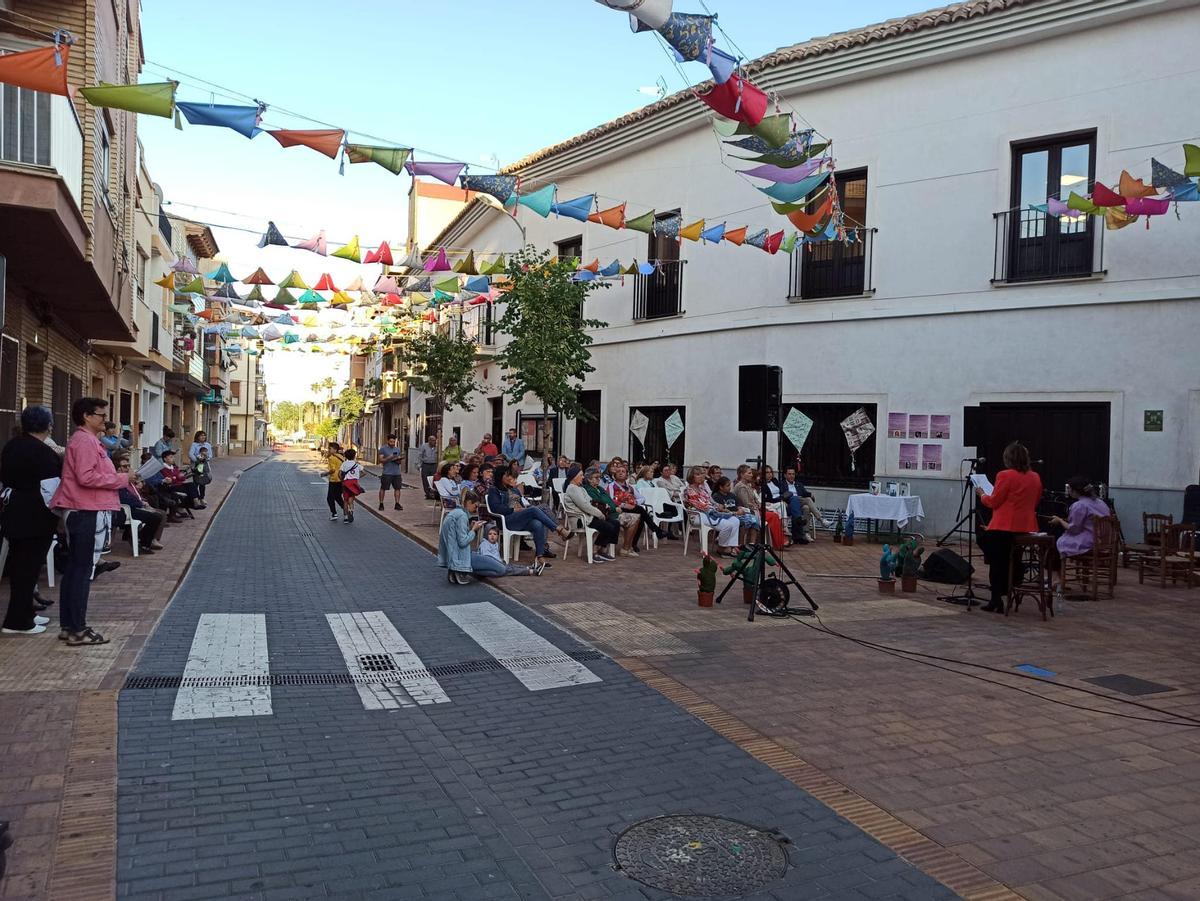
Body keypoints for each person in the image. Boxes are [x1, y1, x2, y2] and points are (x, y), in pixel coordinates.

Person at [50, 397, 130, 646]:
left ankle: (69, 626)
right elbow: (86, 477)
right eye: (101, 415)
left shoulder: (88, 440)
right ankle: (78, 629)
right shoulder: (84, 441)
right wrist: (121, 479)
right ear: (86, 416)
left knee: (77, 569)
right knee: (83, 571)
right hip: (84, 510)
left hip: (85, 508)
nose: (105, 420)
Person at [1, 406, 61, 635]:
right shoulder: (44, 453)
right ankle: (17, 622)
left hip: (13, 512)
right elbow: (52, 489)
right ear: (48, 426)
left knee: (20, 568)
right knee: (28, 569)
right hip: (36, 517)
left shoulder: (11, 446)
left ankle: (26, 613)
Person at [976, 441, 1043, 613]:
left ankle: (997, 596)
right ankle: (1013, 577)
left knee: (989, 546)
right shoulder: (1035, 477)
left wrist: (983, 495)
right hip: (1025, 527)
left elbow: (994, 502)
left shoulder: (1005, 475)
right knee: (1005, 553)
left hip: (1004, 527)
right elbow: (1035, 501)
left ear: (1008, 459)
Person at [1045, 475, 1111, 605]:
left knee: (1054, 542)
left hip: (1088, 542)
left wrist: (1059, 520)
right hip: (1102, 541)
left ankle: (1056, 578)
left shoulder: (1079, 505)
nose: (1068, 492)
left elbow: (1073, 528)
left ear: (1076, 491)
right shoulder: (1101, 502)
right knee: (1058, 541)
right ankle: (1056, 577)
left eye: (1070, 489)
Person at [487, 470, 568, 561]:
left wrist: (522, 508)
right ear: (500, 477)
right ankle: (559, 529)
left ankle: (539, 556)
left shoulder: (514, 489)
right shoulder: (494, 490)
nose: (509, 477)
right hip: (507, 520)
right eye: (507, 475)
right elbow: (495, 508)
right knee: (534, 509)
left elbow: (521, 502)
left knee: (537, 523)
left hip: (519, 518)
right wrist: (513, 509)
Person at [562, 464, 620, 561]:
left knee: (615, 523)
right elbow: (584, 505)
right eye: (581, 475)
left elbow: (590, 502)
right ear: (574, 477)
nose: (583, 477)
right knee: (608, 526)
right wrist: (599, 514)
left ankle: (602, 550)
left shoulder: (579, 488)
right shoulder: (572, 488)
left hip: (588, 517)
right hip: (580, 520)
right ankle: (594, 551)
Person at [113, 452, 165, 553]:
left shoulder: (127, 478)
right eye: (124, 466)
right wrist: (141, 504)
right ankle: (143, 542)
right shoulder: (118, 479)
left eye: (128, 466)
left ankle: (142, 539)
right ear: (118, 468)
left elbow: (134, 494)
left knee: (157, 514)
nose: (127, 468)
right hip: (125, 510)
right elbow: (125, 498)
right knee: (155, 517)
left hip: (134, 506)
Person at [684, 466, 741, 555]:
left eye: (702, 474)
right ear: (691, 477)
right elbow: (699, 505)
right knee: (728, 525)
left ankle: (731, 546)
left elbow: (711, 501)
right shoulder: (689, 490)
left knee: (735, 520)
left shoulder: (702, 489)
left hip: (711, 513)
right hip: (698, 515)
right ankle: (722, 548)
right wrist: (716, 508)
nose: (701, 476)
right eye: (697, 474)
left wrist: (719, 505)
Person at [585, 466, 641, 557]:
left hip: (613, 511)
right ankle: (625, 548)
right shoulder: (589, 489)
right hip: (605, 514)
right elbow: (600, 503)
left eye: (599, 477)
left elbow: (609, 500)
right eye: (596, 477)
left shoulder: (599, 488)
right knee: (632, 519)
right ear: (589, 479)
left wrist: (616, 506)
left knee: (636, 516)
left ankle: (627, 547)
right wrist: (614, 508)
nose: (599, 479)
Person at [609, 461, 665, 546]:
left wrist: (634, 502)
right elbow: (610, 500)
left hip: (631, 508)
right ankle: (657, 530)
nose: (620, 473)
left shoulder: (630, 487)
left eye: (623, 472)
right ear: (614, 475)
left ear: (626, 475)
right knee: (640, 510)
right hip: (618, 509)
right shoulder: (611, 485)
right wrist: (624, 504)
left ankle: (633, 544)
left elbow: (642, 498)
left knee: (640, 517)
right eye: (618, 472)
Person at [734, 465, 785, 548]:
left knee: (773, 514)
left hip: (754, 510)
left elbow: (755, 500)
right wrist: (758, 506)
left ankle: (752, 544)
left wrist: (759, 504)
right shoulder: (741, 487)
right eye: (749, 473)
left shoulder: (748, 485)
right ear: (742, 475)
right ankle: (742, 545)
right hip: (745, 511)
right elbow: (746, 503)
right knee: (770, 516)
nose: (751, 475)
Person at [472, 525, 546, 578]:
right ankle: (531, 571)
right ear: (486, 535)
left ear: (498, 536)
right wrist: (499, 561)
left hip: (497, 563)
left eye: (494, 534)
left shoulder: (495, 544)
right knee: (509, 570)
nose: (492, 536)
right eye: (490, 534)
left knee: (511, 565)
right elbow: (487, 556)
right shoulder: (484, 544)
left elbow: (495, 555)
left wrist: (500, 560)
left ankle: (529, 567)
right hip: (490, 565)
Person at [376, 433, 404, 511]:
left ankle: (397, 504)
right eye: (391, 441)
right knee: (383, 488)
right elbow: (381, 460)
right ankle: (381, 503)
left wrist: (398, 460)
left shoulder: (397, 449)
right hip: (387, 472)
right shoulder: (383, 449)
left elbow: (399, 462)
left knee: (397, 488)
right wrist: (390, 457)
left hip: (396, 472)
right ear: (387, 441)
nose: (392, 443)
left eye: (394, 442)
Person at [339, 449, 364, 523]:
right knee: (351, 499)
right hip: (354, 483)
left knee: (345, 500)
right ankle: (351, 510)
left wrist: (342, 480)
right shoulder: (357, 464)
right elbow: (364, 472)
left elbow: (340, 473)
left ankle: (346, 517)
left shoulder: (344, 464)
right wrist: (357, 477)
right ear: (354, 456)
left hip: (346, 483)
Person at [323, 442, 346, 521]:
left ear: (335, 449)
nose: (328, 450)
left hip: (334, 479)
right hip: (341, 479)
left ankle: (334, 513)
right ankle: (346, 509)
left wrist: (325, 473)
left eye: (330, 448)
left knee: (330, 498)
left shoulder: (332, 457)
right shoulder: (341, 456)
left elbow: (332, 470)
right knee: (337, 496)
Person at [187, 431, 214, 499]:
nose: (203, 437)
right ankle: (195, 498)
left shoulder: (208, 445)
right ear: (197, 437)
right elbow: (190, 454)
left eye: (204, 435)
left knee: (203, 483)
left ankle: (202, 498)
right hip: (196, 466)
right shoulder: (194, 444)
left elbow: (210, 455)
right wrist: (197, 461)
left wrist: (206, 458)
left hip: (204, 466)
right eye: (201, 435)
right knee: (196, 482)